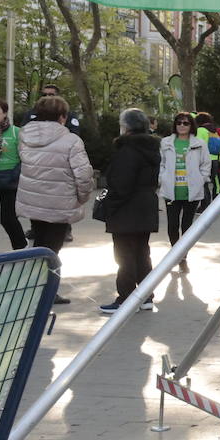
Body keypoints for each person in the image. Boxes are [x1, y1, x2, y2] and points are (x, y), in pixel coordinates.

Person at [16, 95, 93, 304]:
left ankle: (32, 287)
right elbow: (83, 175)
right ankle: (48, 292)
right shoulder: (71, 140)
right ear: (62, 117)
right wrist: (82, 197)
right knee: (53, 250)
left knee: (39, 243)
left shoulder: (24, 135)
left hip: (33, 201)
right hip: (60, 202)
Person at [99, 108, 161, 314]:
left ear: (125, 126)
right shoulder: (151, 149)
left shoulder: (127, 151)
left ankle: (125, 298)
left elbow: (121, 184)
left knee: (124, 255)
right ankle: (145, 296)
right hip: (146, 205)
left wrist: (109, 204)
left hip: (127, 208)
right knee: (142, 253)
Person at [158, 112, 211, 274]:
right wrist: (162, 178)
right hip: (171, 191)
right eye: (179, 122)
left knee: (187, 228)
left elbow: (206, 164)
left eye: (186, 123)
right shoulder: (166, 142)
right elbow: (161, 163)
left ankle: (183, 258)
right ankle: (177, 256)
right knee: (172, 226)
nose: (182, 126)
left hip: (191, 192)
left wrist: (201, 179)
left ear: (191, 125)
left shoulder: (199, 143)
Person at [0, 98, 29, 254]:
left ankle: (22, 249)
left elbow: (25, 157)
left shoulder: (17, 132)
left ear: (5, 112)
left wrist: (15, 174)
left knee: (8, 219)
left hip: (10, 183)